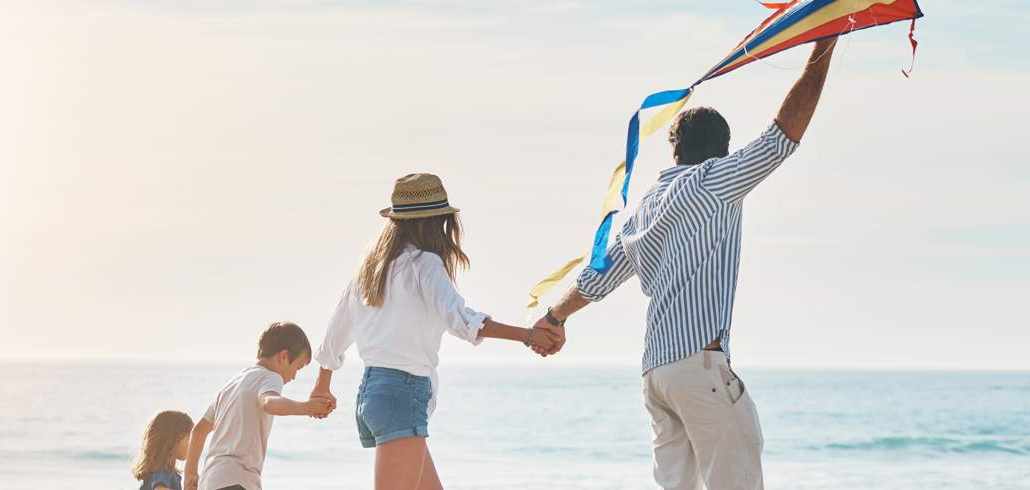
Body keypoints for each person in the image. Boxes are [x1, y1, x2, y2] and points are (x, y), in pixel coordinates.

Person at [532, 38, 838, 490]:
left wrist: (554, 316)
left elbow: (596, 279)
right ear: (723, 151)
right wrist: (823, 45)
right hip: (697, 367)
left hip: (657, 373)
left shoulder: (646, 209)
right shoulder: (715, 180)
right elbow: (782, 136)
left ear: (674, 152)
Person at [310, 173, 560, 489]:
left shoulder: (370, 268)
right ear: (437, 222)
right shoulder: (425, 264)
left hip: (374, 393)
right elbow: (461, 319)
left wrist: (323, 385)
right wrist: (527, 336)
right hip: (400, 393)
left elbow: (336, 329)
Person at [185, 322, 334, 490]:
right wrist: (305, 408)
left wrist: (190, 475)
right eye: (297, 368)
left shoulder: (233, 384)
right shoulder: (270, 377)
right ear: (283, 356)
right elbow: (269, 403)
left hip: (211, 480)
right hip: (238, 480)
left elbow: (198, 431)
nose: (294, 376)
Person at [132, 410, 195, 490]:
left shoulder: (164, 470)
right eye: (188, 438)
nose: (192, 443)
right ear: (172, 440)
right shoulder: (162, 469)